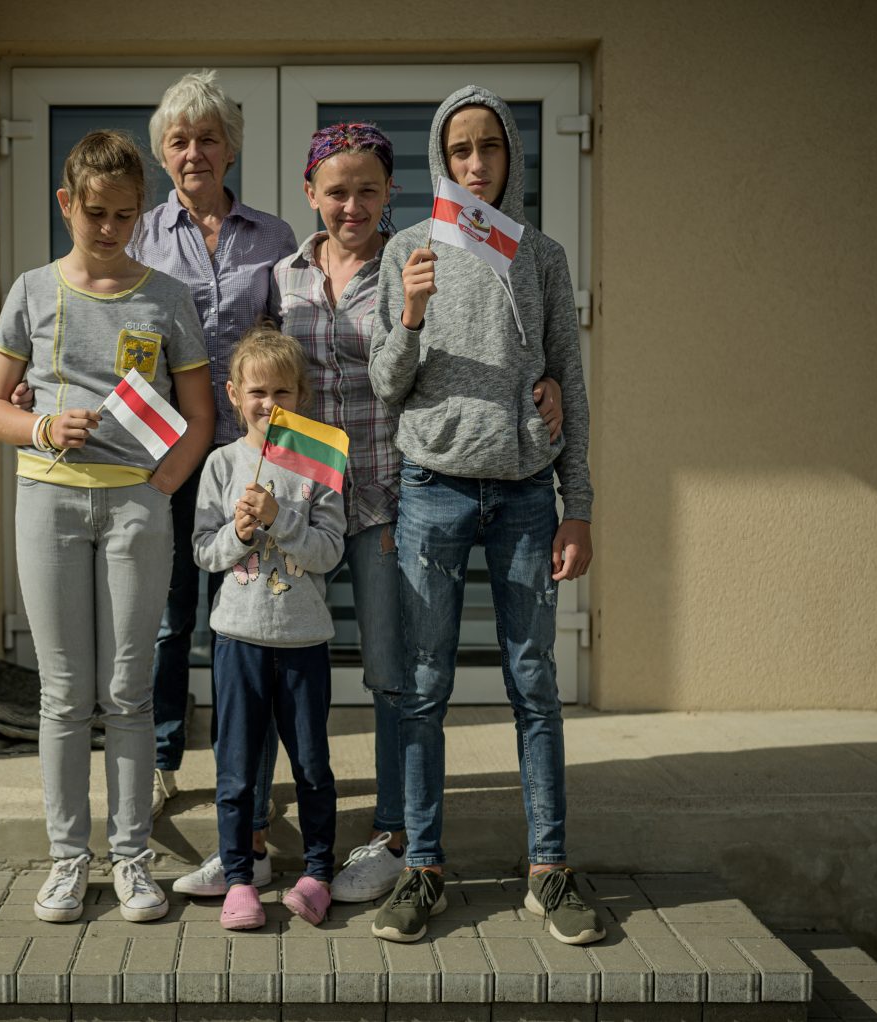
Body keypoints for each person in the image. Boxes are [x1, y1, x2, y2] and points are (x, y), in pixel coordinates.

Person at [272, 123, 567, 903]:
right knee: (279, 661)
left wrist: (542, 394)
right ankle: (265, 834)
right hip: (300, 497)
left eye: (368, 190)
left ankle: (396, 834)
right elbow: (256, 373)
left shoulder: (428, 255)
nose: (353, 205)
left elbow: (527, 355)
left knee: (396, 675)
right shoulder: (285, 277)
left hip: (386, 491)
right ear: (311, 194)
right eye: (337, 192)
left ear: (391, 192)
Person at [367, 86, 603, 945]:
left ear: (512, 157)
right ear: (441, 157)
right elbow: (386, 382)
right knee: (424, 685)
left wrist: (578, 506)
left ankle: (548, 869)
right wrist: (412, 313)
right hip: (432, 488)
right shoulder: (407, 250)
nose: (474, 164)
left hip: (524, 495)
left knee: (534, 683)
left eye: (489, 147)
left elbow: (568, 380)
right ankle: (424, 868)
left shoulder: (540, 255)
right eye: (459, 149)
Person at [0, 129, 214, 925]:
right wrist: (42, 427)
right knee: (65, 693)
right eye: (94, 213)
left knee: (128, 690)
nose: (109, 228)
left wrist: (162, 486)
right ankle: (68, 862)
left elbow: (199, 415)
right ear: (65, 204)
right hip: (48, 503)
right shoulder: (31, 291)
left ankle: (133, 860)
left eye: (123, 214)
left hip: (136, 508)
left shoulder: (167, 296)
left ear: (141, 211)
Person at [133, 71, 298, 834]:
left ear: (231, 148)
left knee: (246, 619)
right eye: (180, 140)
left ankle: (247, 772)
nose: (194, 151)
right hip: (167, 455)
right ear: (162, 153)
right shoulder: (139, 235)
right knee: (170, 617)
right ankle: (163, 760)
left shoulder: (274, 238)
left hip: (251, 458)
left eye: (208, 138)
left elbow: (293, 346)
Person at [189, 326, 345, 929]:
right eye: (257, 391)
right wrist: (240, 533)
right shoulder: (222, 464)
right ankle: (239, 878)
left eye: (282, 391)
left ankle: (317, 874)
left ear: (301, 394)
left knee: (312, 766)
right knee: (236, 768)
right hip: (239, 639)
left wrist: (280, 519)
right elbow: (204, 550)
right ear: (234, 394)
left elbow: (329, 552)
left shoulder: (318, 464)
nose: (269, 403)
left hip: (303, 642)